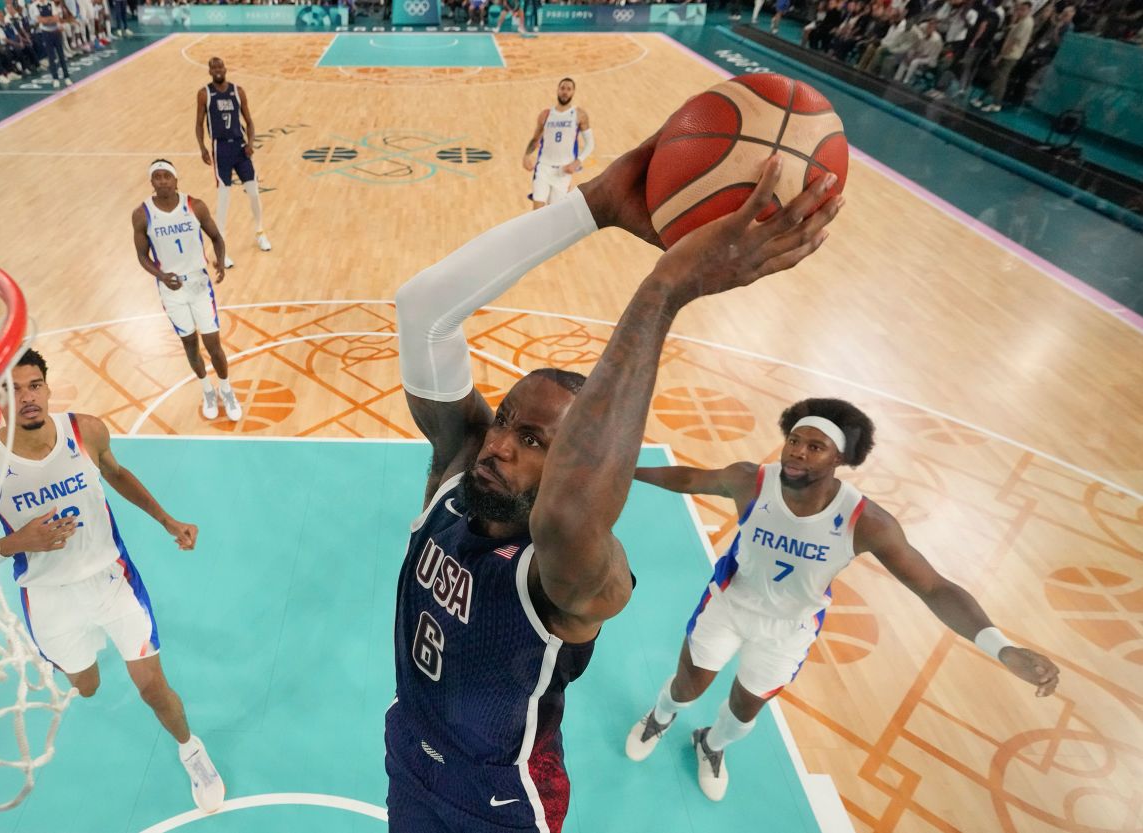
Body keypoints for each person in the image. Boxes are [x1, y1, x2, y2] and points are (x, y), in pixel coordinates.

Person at [387, 131, 843, 831]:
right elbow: (422, 312)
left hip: (500, 803)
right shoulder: (459, 473)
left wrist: (666, 290)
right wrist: (589, 207)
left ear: (576, 465)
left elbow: (571, 514)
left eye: (534, 440)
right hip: (410, 765)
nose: (499, 443)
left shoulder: (570, 573)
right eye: (506, 420)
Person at [623, 399, 1061, 802]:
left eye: (815, 447)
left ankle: (710, 743)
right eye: (794, 440)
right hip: (728, 605)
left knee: (744, 709)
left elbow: (934, 587)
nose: (797, 451)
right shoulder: (751, 481)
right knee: (688, 685)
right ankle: (660, 717)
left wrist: (1001, 647)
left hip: (789, 630)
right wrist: (625, 471)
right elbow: (689, 478)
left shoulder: (865, 521)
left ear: (840, 459)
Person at [0, 348, 226, 814]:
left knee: (152, 687)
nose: (27, 398)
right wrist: (19, 540)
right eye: (14, 390)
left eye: (34, 385)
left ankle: (192, 750)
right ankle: (83, 651)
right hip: (48, 597)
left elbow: (117, 473)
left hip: (112, 580)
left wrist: (168, 521)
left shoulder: (84, 430)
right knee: (86, 688)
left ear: (47, 388)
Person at [130, 160, 243, 423]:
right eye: (157, 177)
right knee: (190, 345)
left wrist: (220, 261)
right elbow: (141, 255)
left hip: (199, 284)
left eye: (167, 176)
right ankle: (207, 391)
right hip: (171, 289)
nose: (162, 181)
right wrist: (160, 275)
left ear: (176, 180)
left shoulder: (195, 206)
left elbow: (216, 237)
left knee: (213, 344)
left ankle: (226, 390)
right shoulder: (142, 214)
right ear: (152, 183)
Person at [195, 57, 270, 270]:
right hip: (221, 148)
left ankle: (260, 232)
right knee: (224, 198)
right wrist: (202, 147)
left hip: (240, 146)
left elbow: (250, 121)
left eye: (220, 66)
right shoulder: (204, 94)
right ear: (210, 71)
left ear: (225, 69)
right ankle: (221, 250)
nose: (217, 70)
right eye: (213, 67)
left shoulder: (238, 91)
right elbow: (199, 124)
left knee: (254, 192)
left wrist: (251, 142)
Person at [522, 77, 593, 209]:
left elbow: (590, 144)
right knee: (537, 213)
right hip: (543, 167)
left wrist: (577, 162)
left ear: (573, 92)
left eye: (568, 89)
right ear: (557, 90)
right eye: (562, 88)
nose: (565, 92)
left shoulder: (579, 115)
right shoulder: (546, 114)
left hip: (563, 171)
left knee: (555, 214)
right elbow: (535, 139)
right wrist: (526, 155)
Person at [973, 0, 1034, 111]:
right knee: (998, 79)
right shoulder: (1023, 21)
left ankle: (994, 103)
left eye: (1023, 10)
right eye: (1019, 9)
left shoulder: (1026, 23)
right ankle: (984, 99)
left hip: (1010, 55)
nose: (1020, 11)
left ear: (1029, 10)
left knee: (1000, 80)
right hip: (1010, 54)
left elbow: (1013, 42)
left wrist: (1000, 56)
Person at [33, 0, 71, 87]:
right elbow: (41, 20)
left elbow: (56, 18)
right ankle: (55, 78)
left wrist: (47, 19)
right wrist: (50, 19)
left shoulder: (51, 3)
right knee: (51, 57)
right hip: (46, 33)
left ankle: (66, 77)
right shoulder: (35, 6)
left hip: (56, 31)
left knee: (61, 55)